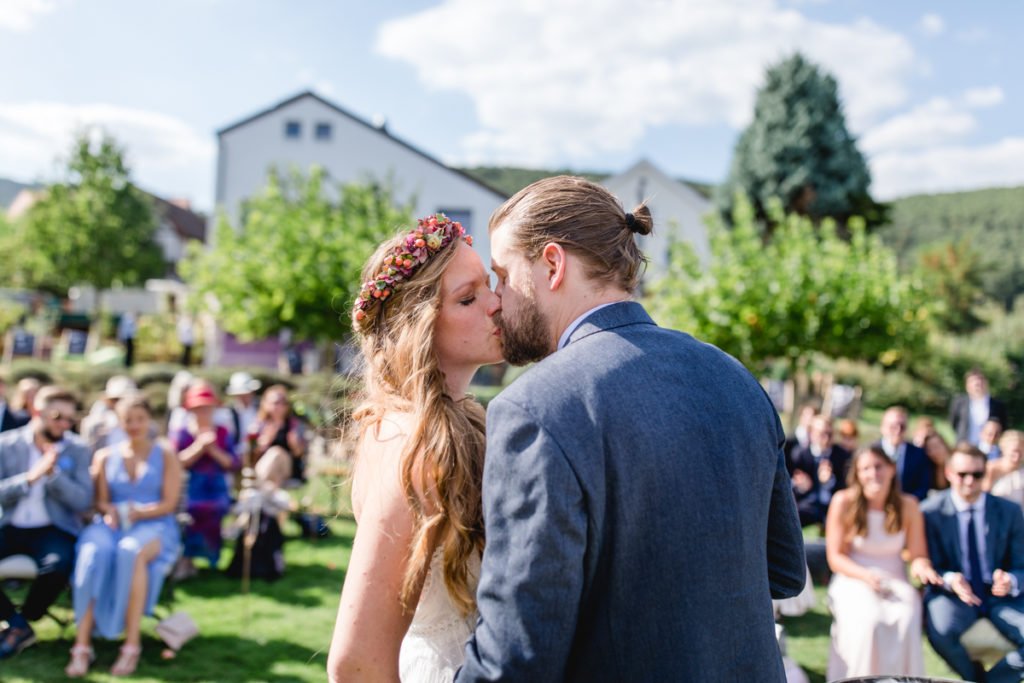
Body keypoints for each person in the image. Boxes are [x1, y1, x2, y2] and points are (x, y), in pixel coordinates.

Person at [456, 176, 806, 682]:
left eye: (504, 275)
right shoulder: (736, 377)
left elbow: (515, 659)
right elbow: (785, 571)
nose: (498, 299)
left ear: (552, 264)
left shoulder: (534, 409)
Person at [327, 213, 503, 682]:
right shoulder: (411, 440)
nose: (496, 304)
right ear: (419, 327)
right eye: (468, 298)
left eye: (489, 285)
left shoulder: (463, 419)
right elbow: (354, 661)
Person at [65, 394, 182, 677]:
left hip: (155, 526)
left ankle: (131, 645)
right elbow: (101, 501)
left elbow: (169, 503)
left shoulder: (165, 454)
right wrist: (113, 511)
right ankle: (81, 645)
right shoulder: (105, 456)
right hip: (113, 524)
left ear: (149, 421)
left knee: (131, 551)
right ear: (119, 422)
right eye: (127, 420)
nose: (134, 425)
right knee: (93, 553)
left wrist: (138, 512)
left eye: (139, 419)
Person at [824, 445, 942, 679]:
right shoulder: (843, 501)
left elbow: (918, 554)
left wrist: (923, 567)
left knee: (907, 616)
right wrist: (865, 576)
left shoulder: (908, 505)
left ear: (891, 469)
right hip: (853, 577)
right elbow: (835, 557)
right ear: (856, 474)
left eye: (878, 467)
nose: (873, 474)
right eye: (865, 468)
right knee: (869, 621)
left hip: (895, 578)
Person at [0, 386, 93, 658]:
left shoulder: (77, 449)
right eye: (57, 416)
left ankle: (23, 622)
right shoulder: (6, 444)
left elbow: (82, 501)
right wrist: (30, 478)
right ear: (37, 412)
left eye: (69, 419)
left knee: (57, 566)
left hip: (53, 530)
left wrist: (53, 476)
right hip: (10, 526)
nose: (64, 424)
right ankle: (17, 626)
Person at [922, 443, 1024, 683]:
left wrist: (1010, 580)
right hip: (954, 595)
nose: (969, 481)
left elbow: (1022, 563)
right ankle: (973, 678)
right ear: (948, 473)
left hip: (1003, 597)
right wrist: (949, 580)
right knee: (941, 630)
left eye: (977, 474)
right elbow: (928, 563)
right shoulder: (930, 512)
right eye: (962, 474)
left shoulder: (1009, 511)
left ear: (985, 473)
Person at [170, 381, 238, 577]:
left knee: (215, 509)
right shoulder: (181, 433)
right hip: (188, 488)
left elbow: (231, 463)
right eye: (199, 408)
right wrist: (199, 446)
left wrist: (213, 449)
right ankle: (186, 560)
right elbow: (176, 462)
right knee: (189, 512)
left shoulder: (223, 432)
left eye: (207, 408)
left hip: (215, 488)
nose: (203, 412)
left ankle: (206, 558)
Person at [787, 415, 851, 527]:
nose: (826, 438)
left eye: (829, 434)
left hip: (832, 505)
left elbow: (846, 486)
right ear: (812, 434)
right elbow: (788, 487)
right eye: (822, 434)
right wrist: (802, 487)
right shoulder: (800, 454)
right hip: (807, 504)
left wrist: (830, 481)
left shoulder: (842, 456)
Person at [247, 385, 307, 484]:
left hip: (287, 468)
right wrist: (262, 445)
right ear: (265, 404)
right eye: (275, 403)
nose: (278, 406)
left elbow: (299, 454)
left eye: (282, 403)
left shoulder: (293, 425)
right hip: (267, 469)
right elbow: (250, 454)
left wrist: (295, 444)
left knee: (276, 452)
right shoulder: (258, 425)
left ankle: (258, 483)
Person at [874, 406, 934, 501]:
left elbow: (923, 487)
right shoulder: (870, 452)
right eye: (893, 426)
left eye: (902, 427)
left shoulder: (919, 454)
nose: (898, 431)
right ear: (882, 427)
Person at [950, 368, 1008, 446]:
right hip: (965, 445)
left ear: (986, 383)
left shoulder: (997, 405)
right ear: (967, 385)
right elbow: (954, 422)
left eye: (981, 382)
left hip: (988, 447)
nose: (978, 385)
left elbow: (1003, 425)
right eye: (974, 383)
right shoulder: (959, 403)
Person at [81, 375, 138, 452]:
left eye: (126, 399)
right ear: (109, 402)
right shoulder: (95, 425)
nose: (122, 404)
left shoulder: (145, 427)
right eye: (116, 400)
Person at [221, 372, 261, 462]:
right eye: (240, 394)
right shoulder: (228, 413)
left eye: (246, 393)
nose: (243, 397)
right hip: (236, 456)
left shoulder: (260, 410)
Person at [986, 430, 1024, 508]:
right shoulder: (991, 468)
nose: (1017, 456)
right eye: (1014, 451)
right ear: (1004, 449)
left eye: (1021, 452)